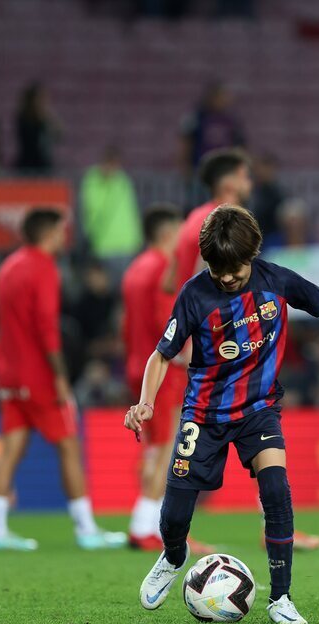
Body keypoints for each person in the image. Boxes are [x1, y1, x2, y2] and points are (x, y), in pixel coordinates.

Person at [125, 205, 319, 624]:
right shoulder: (194, 294)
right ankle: (174, 557)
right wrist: (146, 401)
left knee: (277, 492)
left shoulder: (276, 280)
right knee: (172, 518)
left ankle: (280, 598)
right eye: (217, 268)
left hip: (259, 410)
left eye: (235, 270)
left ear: (253, 256)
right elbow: (161, 354)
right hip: (204, 414)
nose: (226, 277)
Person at [167, 147, 319, 552]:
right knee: (186, 440)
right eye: (246, 177)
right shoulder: (220, 224)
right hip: (213, 349)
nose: (251, 185)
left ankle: (267, 523)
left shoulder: (191, 223)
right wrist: (197, 336)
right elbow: (193, 285)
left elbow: (173, 276)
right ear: (232, 180)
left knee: (234, 436)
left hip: (214, 342)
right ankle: (161, 529)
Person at [0, 208, 126, 551]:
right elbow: (47, 329)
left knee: (11, 449)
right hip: (40, 376)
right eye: (62, 231)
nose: (66, 236)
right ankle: (86, 528)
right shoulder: (44, 268)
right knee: (68, 446)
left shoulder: (7, 268)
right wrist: (61, 377)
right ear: (48, 234)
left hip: (10, 375)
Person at [122, 204, 215, 552]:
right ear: (166, 234)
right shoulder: (163, 268)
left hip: (137, 362)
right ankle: (146, 526)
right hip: (163, 368)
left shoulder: (136, 268)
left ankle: (148, 523)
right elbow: (170, 324)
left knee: (154, 446)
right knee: (166, 448)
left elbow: (127, 322)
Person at [168, 147, 252, 294]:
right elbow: (205, 282)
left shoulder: (195, 216)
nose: (250, 184)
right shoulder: (227, 221)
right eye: (244, 177)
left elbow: (169, 283)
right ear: (229, 184)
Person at [79, 145, 142, 282]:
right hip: (103, 246)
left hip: (127, 245)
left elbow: (130, 212)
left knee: (124, 290)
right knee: (104, 293)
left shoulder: (123, 180)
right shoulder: (92, 180)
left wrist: (137, 239)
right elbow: (92, 210)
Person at [180, 82, 246, 174]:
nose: (224, 101)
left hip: (224, 169)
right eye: (221, 97)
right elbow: (186, 143)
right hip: (200, 168)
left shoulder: (231, 119)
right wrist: (185, 166)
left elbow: (240, 145)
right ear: (212, 97)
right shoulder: (197, 118)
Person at [14, 82, 60, 173]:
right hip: (27, 166)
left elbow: (58, 135)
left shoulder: (47, 119)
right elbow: (29, 142)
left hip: (44, 165)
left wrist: (51, 121)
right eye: (40, 98)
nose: (43, 102)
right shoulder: (24, 119)